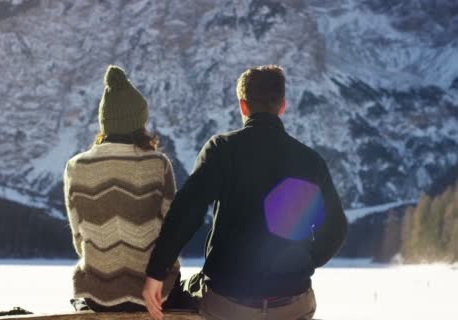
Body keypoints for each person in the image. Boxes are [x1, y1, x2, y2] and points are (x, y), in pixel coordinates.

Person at [143, 65, 348, 320]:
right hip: (293, 303)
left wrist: (156, 272)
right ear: (282, 106)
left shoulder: (221, 149)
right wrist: (304, 263)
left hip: (229, 304)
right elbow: (336, 227)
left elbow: (188, 211)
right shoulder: (310, 160)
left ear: (243, 106)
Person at [63, 65, 183, 312]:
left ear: (105, 122)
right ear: (140, 121)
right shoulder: (157, 163)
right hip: (157, 293)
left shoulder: (76, 166)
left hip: (96, 293)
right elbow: (172, 231)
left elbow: (78, 237)